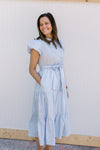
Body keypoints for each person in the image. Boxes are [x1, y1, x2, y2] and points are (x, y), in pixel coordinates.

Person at [27, 12, 71, 150]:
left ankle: (49, 148)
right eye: (41, 24)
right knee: (42, 118)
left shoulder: (59, 43)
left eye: (46, 23)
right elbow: (32, 69)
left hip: (58, 88)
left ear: (52, 24)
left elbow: (61, 67)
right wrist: (44, 84)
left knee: (53, 117)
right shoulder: (38, 44)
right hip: (44, 88)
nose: (44, 26)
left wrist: (65, 87)